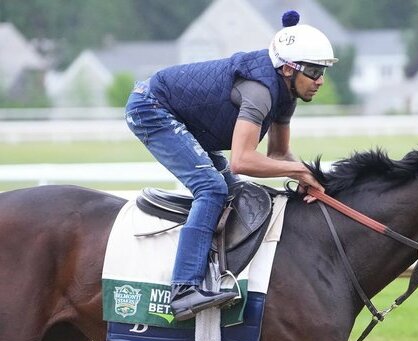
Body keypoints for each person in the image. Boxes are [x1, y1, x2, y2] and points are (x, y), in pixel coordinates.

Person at [125, 11, 337, 321]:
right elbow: (243, 160)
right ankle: (184, 289)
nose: (320, 81)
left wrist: (316, 178)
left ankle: (217, 271)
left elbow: (278, 154)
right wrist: (298, 172)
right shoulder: (260, 91)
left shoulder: (286, 93)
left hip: (182, 115)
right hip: (151, 107)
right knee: (211, 188)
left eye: (323, 72)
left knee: (235, 192)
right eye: (315, 71)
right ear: (289, 69)